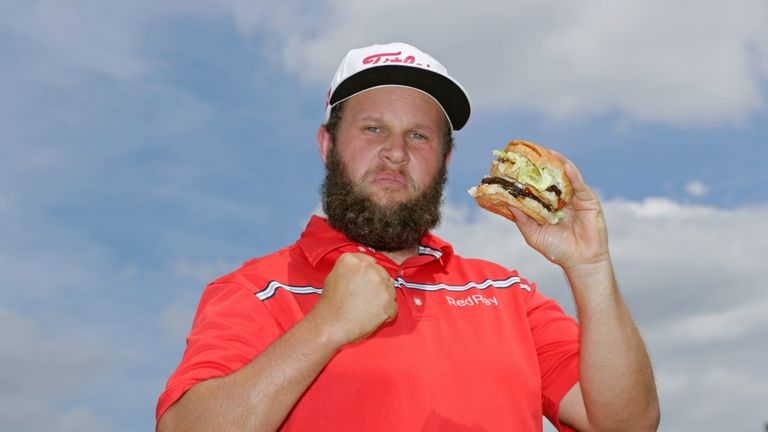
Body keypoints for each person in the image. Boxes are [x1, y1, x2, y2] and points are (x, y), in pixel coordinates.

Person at [156, 42, 660, 431]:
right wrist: (325, 327)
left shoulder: (507, 295)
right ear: (327, 145)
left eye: (419, 136)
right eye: (373, 129)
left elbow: (628, 424)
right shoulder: (255, 291)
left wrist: (590, 268)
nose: (396, 152)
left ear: (444, 160)